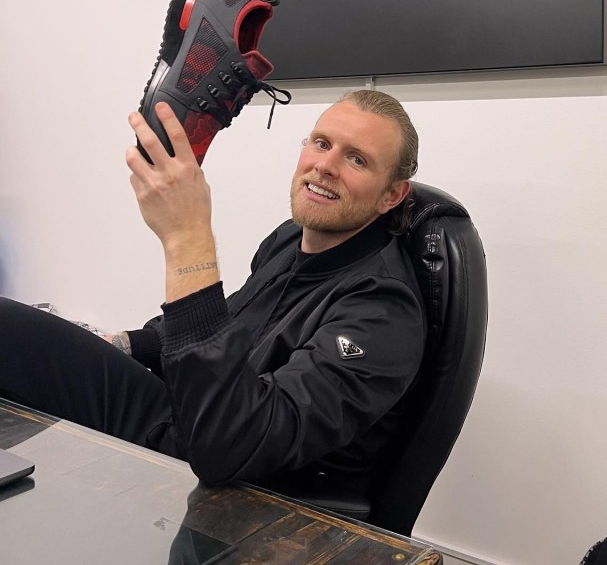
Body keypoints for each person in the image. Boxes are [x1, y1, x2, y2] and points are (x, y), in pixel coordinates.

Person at [0, 89, 426, 508]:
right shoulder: (288, 241)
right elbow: (228, 322)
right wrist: (125, 344)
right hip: (188, 411)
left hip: (226, 474)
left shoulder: (383, 313)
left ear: (392, 195)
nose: (325, 166)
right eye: (321, 143)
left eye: (357, 159)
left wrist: (188, 238)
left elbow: (232, 446)